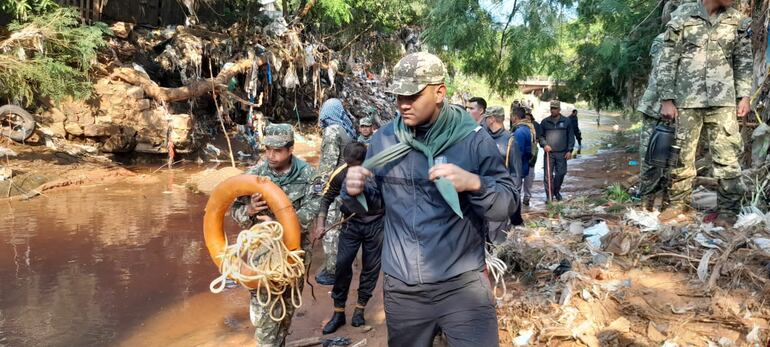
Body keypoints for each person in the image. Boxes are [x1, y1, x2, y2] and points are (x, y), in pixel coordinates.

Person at [342, 52, 516, 347]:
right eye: (398, 96)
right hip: (403, 288)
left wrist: (474, 183)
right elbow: (374, 206)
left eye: (412, 95)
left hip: (461, 286)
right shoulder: (384, 140)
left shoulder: (473, 139)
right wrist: (355, 191)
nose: (403, 104)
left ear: (439, 92)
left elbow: (506, 204)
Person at [657, 0, 752, 226]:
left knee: (727, 156)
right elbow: (668, 58)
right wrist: (667, 99)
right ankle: (678, 205)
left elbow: (744, 61)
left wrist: (745, 96)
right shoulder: (683, 16)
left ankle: (728, 211)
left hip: (723, 101)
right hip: (687, 100)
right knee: (682, 156)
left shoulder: (738, 21)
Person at [230, 123, 322, 346]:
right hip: (263, 256)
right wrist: (249, 210)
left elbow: (314, 208)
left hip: (294, 255)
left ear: (291, 149)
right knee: (266, 313)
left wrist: (280, 224)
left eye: (278, 150)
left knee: (288, 308)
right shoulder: (253, 176)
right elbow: (234, 211)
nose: (271, 155)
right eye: (267, 149)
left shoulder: (309, 176)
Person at [314, 142, 385, 334]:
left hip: (376, 225)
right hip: (351, 224)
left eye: (355, 165)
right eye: (348, 164)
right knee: (342, 265)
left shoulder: (377, 172)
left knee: (370, 267)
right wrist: (321, 225)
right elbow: (326, 197)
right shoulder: (341, 173)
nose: (351, 169)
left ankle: (360, 309)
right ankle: (338, 313)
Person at [316, 98, 356, 285]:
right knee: (341, 228)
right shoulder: (345, 129)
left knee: (331, 231)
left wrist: (319, 190)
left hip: (335, 188)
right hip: (347, 186)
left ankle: (333, 271)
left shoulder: (332, 131)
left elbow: (328, 165)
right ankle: (342, 265)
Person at [637, 34, 671, 211]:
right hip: (656, 107)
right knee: (650, 158)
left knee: (676, 160)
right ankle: (646, 202)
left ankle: (667, 203)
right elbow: (660, 70)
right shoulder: (664, 39)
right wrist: (668, 100)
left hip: (686, 109)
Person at [485, 106, 525, 235]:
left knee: (498, 235)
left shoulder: (510, 141)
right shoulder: (483, 138)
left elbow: (516, 175)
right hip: (485, 191)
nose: (484, 121)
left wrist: (512, 203)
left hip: (501, 195)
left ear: (491, 119)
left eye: (486, 118)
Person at [539, 100, 574, 202]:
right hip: (549, 153)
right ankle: (549, 196)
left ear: (559, 109)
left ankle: (556, 191)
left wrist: (569, 151)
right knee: (547, 176)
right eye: (551, 108)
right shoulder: (545, 122)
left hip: (562, 153)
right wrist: (544, 145)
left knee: (561, 173)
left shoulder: (566, 121)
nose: (553, 110)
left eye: (555, 109)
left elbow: (571, 137)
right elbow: (540, 137)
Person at [521, 109, 540, 206]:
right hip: (521, 154)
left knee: (529, 176)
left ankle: (527, 197)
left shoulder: (536, 125)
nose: (527, 120)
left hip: (531, 155)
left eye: (529, 118)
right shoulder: (518, 126)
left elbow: (538, 139)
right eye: (525, 118)